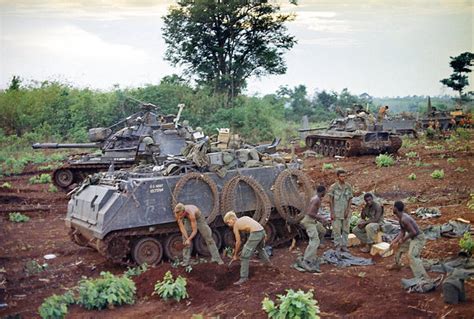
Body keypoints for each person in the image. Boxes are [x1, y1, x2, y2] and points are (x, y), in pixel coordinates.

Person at [223, 211, 271, 285]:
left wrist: (235, 255)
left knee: (244, 256)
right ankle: (268, 265)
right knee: (260, 248)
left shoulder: (236, 225)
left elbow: (238, 242)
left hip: (255, 233)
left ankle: (244, 277)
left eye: (228, 222)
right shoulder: (244, 218)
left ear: (232, 219)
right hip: (262, 232)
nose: (229, 225)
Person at [388, 201, 429, 279]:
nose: (392, 208)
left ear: (395, 208)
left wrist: (403, 240)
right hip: (413, 237)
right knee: (398, 246)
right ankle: (397, 265)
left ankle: (423, 278)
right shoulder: (401, 218)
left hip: (418, 238)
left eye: (393, 207)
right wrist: (395, 241)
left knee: (412, 256)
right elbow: (402, 232)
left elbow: (414, 232)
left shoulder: (404, 219)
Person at [297, 185, 329, 272]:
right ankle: (306, 260)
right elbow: (310, 212)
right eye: (325, 192)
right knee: (315, 240)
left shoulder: (316, 198)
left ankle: (314, 252)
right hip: (309, 221)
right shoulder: (316, 200)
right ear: (322, 192)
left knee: (322, 231)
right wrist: (321, 218)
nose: (325, 193)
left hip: (313, 220)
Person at [328, 169, 353, 252]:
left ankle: (344, 245)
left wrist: (347, 210)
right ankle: (338, 245)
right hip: (336, 212)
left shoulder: (348, 186)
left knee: (346, 230)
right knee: (337, 230)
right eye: (341, 176)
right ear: (338, 177)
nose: (343, 178)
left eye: (344, 176)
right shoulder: (333, 187)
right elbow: (330, 200)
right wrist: (332, 212)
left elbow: (350, 199)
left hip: (346, 212)